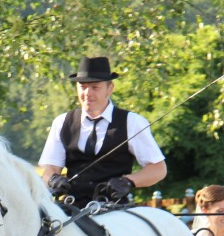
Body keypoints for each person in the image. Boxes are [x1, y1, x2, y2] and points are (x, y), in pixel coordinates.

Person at [39, 56, 166, 207]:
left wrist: (129, 181)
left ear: (110, 88)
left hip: (114, 209)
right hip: (71, 208)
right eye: (83, 87)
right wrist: (53, 179)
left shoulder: (132, 122)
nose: (87, 93)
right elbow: (49, 168)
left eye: (95, 87)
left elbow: (158, 169)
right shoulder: (62, 122)